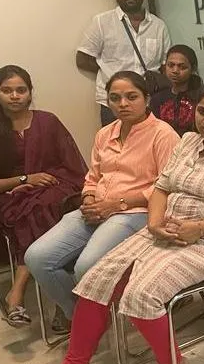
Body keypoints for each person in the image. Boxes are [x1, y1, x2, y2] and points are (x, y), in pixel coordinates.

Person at [14, 80, 204, 364]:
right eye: (203, 111)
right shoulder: (189, 142)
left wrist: (199, 228)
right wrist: (153, 222)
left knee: (141, 294)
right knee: (97, 278)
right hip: (162, 230)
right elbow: (161, 188)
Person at [24, 71, 180, 325]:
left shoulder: (163, 134)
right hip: (96, 208)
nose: (123, 104)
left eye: (132, 97)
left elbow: (167, 186)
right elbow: (93, 176)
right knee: (37, 257)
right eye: (115, 98)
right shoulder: (105, 133)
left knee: (86, 266)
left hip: (136, 213)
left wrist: (116, 204)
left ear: (147, 99)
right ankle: (83, 319)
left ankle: (88, 324)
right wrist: (88, 198)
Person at [0, 66, 87, 328]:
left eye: (21, 90)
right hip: (10, 196)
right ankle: (60, 301)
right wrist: (24, 180)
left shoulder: (48, 121)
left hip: (55, 187)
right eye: (7, 90)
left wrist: (42, 181)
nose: (14, 96)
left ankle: (18, 293)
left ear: (30, 93)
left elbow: (72, 166)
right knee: (35, 211)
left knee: (48, 208)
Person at [76, 0, 171, 126]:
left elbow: (164, 65)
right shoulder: (102, 22)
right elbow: (83, 59)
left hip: (147, 102)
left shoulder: (158, 26)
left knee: (147, 147)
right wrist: (113, 75)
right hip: (113, 104)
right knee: (116, 147)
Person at [150, 45, 202, 136]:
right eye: (170, 65)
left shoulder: (200, 98)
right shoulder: (157, 99)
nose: (175, 71)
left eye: (182, 67)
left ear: (192, 69)